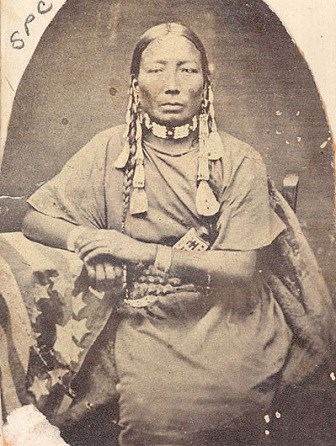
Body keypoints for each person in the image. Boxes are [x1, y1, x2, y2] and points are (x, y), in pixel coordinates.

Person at [21, 22, 332, 446]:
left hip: (230, 313)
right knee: (154, 413)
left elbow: (241, 268)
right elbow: (35, 219)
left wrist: (138, 251)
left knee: (218, 402)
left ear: (206, 83)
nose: (171, 86)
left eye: (187, 71)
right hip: (145, 312)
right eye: (156, 71)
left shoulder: (239, 160)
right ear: (135, 84)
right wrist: (90, 247)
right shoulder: (110, 150)